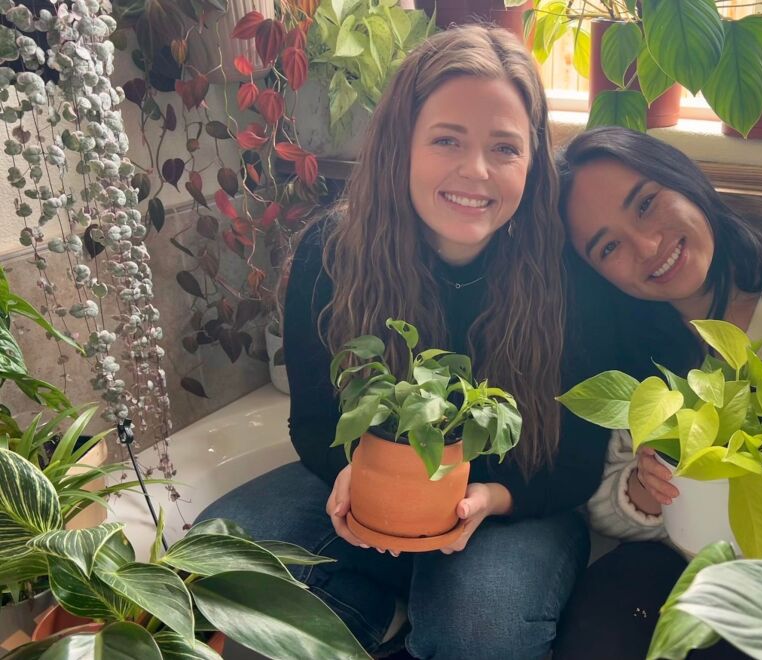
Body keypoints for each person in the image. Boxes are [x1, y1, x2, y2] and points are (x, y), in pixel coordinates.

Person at [197, 26, 618, 659]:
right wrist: (348, 476)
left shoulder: (570, 275)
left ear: (533, 163)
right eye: (447, 139)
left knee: (475, 632)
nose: (475, 171)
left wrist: (488, 499)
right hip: (378, 486)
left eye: (505, 147)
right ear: (402, 145)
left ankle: (402, 601)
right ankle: (375, 608)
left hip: (516, 504)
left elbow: (578, 463)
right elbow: (315, 420)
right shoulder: (333, 253)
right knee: (220, 548)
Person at [551, 126, 762, 659]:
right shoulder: (631, 352)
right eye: (608, 247)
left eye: (647, 204)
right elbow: (604, 507)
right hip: (683, 566)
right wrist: (643, 487)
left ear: (683, 179)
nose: (648, 245)